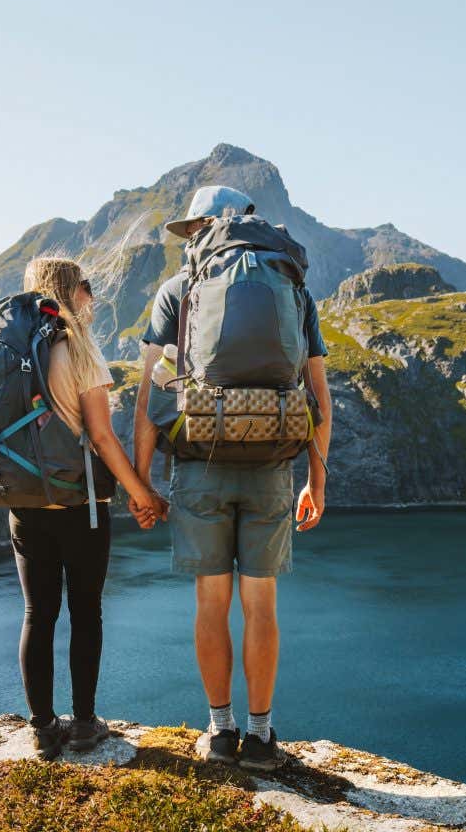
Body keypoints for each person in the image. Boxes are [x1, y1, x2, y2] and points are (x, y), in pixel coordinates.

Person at [131, 185, 333, 772]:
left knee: (211, 603)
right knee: (261, 605)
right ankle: (263, 738)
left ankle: (220, 732)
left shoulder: (177, 291)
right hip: (273, 465)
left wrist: (140, 481)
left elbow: (152, 394)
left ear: (199, 227)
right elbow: (319, 396)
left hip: (200, 469)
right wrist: (316, 481)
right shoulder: (292, 286)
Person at [12, 255, 168, 759]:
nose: (93, 297)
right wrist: (141, 494)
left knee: (38, 612)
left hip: (25, 502)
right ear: (69, 291)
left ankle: (41, 729)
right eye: (87, 287)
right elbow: (100, 436)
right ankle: (83, 724)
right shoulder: (78, 349)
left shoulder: (14, 350)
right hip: (80, 505)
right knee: (85, 612)